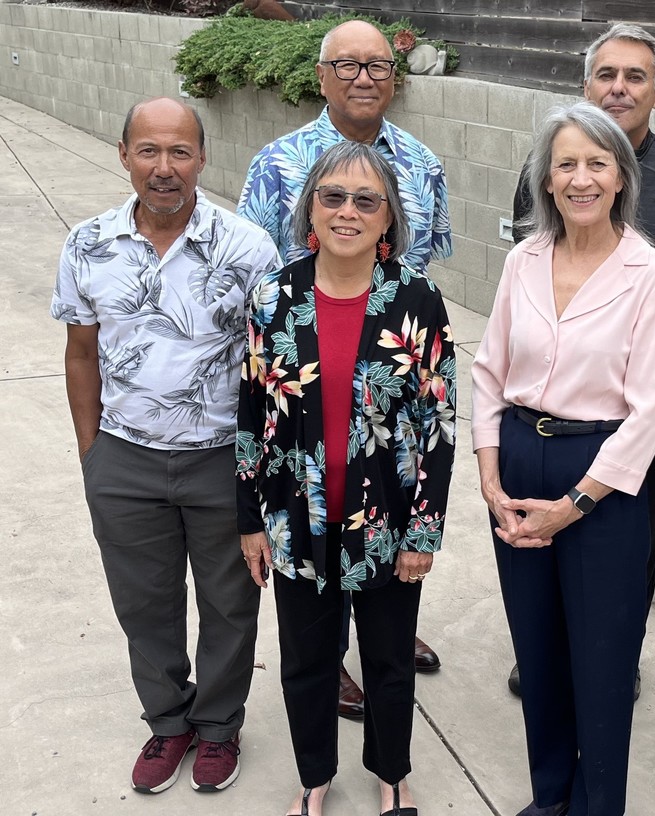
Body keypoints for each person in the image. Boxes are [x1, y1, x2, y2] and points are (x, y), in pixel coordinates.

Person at [51, 97, 280, 795]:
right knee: (143, 603)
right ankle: (168, 721)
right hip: (125, 459)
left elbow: (273, 367)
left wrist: (260, 470)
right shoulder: (88, 244)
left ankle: (218, 726)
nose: (164, 167)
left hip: (221, 459)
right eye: (148, 150)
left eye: (180, 151)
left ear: (202, 158)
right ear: (124, 155)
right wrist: (93, 454)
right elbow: (81, 353)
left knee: (230, 604)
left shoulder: (248, 249)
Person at [472, 101, 655, 816]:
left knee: (601, 660)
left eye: (597, 163)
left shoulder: (650, 274)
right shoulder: (522, 260)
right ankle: (550, 797)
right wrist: (490, 474)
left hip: (602, 480)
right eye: (566, 164)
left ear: (621, 177)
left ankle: (597, 805)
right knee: (538, 653)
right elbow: (488, 373)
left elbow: (650, 412)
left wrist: (574, 505)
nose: (581, 178)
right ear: (546, 179)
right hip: (518, 461)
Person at [237, 140, 457, 816]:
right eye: (332, 196)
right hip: (294, 522)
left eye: (366, 200)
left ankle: (392, 775)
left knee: (388, 662)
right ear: (311, 208)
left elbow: (439, 423)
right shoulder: (274, 297)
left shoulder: (417, 299)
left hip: (387, 524)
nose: (347, 212)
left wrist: (423, 532)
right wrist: (249, 519)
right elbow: (251, 412)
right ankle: (314, 777)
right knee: (306, 663)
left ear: (389, 217)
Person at [238, 19, 451, 712]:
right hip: (307, 375)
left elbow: (425, 264)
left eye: (378, 65)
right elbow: (259, 275)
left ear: (395, 77)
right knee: (315, 520)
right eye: (347, 65)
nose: (364, 78)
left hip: (388, 384)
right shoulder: (277, 163)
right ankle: (325, 655)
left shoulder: (421, 164)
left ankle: (384, 627)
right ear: (322, 76)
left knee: (384, 501)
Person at [508, 23, 655, 698]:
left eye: (635, 76)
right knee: (546, 520)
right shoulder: (543, 170)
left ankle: (616, 654)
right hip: (556, 404)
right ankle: (544, 649)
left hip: (644, 406)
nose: (619, 88)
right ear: (585, 85)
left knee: (633, 535)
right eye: (606, 74)